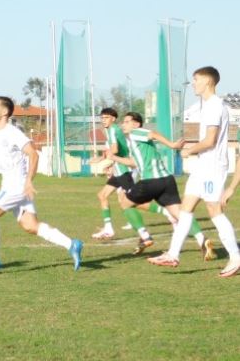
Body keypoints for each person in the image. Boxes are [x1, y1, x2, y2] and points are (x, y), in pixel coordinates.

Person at [0, 96, 83, 271]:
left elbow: (33, 154)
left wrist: (28, 181)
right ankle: (71, 244)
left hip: (16, 186)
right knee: (30, 226)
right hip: (12, 186)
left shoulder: (13, 133)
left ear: (4, 112)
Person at [148, 67, 240, 277]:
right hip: (202, 166)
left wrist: (189, 150)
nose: (193, 84)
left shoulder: (215, 106)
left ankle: (235, 257)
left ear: (207, 81)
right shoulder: (207, 105)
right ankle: (173, 254)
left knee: (214, 209)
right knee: (186, 208)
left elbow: (210, 140)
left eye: (196, 79)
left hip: (213, 166)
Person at [106, 112, 214, 258]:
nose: (123, 124)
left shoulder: (135, 133)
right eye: (123, 122)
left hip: (151, 181)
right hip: (167, 180)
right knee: (180, 214)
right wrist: (114, 158)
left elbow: (153, 134)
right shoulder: (135, 142)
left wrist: (172, 145)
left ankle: (145, 236)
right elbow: (134, 163)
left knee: (125, 203)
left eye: (127, 121)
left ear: (136, 124)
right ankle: (202, 240)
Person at [91, 107, 175, 240]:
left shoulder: (113, 129)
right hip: (119, 170)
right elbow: (115, 150)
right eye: (102, 118)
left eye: (106, 117)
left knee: (131, 201)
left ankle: (167, 213)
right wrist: (104, 159)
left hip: (124, 170)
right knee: (102, 195)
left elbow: (115, 149)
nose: (103, 120)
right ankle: (108, 228)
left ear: (113, 119)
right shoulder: (112, 130)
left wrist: (107, 159)